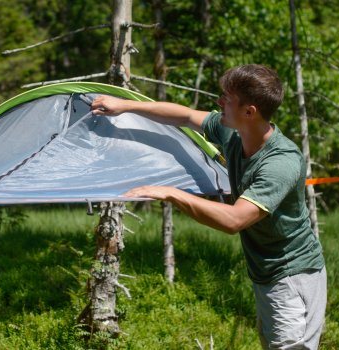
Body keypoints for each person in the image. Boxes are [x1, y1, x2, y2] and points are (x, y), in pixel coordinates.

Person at [91, 64, 326, 350]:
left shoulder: (280, 163)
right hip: (268, 274)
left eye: (227, 98)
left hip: (292, 276)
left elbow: (235, 220)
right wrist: (125, 105)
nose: (218, 102)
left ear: (249, 111)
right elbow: (187, 116)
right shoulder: (235, 134)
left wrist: (171, 194)